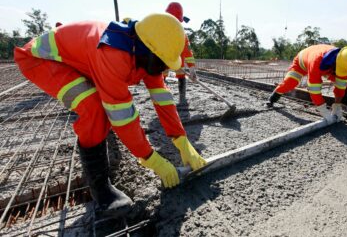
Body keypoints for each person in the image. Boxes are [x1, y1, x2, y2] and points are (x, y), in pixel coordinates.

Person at [14, 13, 207, 217]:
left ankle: (102, 185)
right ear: (149, 51)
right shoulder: (113, 53)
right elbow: (123, 118)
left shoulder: (143, 51)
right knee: (95, 108)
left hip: (77, 61)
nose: (164, 69)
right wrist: (152, 160)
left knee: (99, 106)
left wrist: (183, 141)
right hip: (40, 59)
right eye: (162, 63)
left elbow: (163, 99)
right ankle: (102, 191)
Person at [267, 44, 347, 121]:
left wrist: (337, 105)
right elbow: (314, 90)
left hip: (327, 67)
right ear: (336, 62)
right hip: (302, 63)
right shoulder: (317, 61)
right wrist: (323, 109)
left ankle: (344, 106)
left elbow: (341, 86)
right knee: (290, 83)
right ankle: (272, 98)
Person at [163, 2, 196, 105]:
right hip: (163, 59)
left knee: (180, 76)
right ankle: (164, 99)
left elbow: (188, 52)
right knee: (162, 76)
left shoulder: (182, 35)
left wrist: (192, 69)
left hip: (177, 59)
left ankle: (181, 98)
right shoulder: (160, 31)